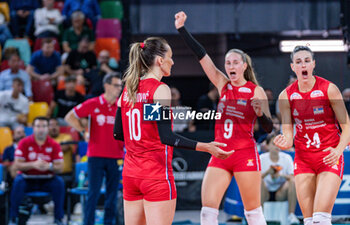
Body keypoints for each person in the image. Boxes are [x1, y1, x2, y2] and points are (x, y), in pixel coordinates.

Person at [113, 37, 233, 225]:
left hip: (131, 174)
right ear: (160, 61)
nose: (173, 61)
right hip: (155, 174)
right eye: (171, 57)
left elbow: (118, 134)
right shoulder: (160, 89)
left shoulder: (129, 88)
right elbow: (166, 137)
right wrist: (206, 147)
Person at [175, 11, 273, 225]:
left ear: (244, 66)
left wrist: (260, 114)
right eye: (227, 63)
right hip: (220, 152)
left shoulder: (255, 91)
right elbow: (202, 56)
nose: (230, 67)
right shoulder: (222, 84)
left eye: (235, 63)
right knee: (207, 212)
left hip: (244, 152)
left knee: (253, 212)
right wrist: (182, 29)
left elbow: (268, 128)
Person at [274, 45, 350, 225]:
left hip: (329, 156)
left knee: (320, 220)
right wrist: (284, 142)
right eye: (298, 62)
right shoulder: (286, 96)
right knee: (308, 221)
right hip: (303, 159)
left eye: (307, 61)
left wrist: (339, 150)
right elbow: (288, 133)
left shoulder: (329, 89)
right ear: (293, 67)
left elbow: (347, 126)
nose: (303, 65)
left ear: (313, 64)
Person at [65, 72, 124, 225]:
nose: (120, 88)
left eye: (120, 85)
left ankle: (109, 223)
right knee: (93, 193)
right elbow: (69, 116)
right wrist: (83, 130)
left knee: (113, 195)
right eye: (116, 85)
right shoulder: (93, 103)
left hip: (116, 156)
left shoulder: (122, 106)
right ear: (106, 86)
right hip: (96, 155)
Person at [10, 116, 65, 225]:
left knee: (59, 182)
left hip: (48, 179)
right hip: (27, 179)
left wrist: (49, 166)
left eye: (44, 126)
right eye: (38, 126)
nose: (41, 129)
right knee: (17, 182)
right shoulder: (24, 143)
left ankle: (58, 219)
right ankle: (14, 218)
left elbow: (60, 167)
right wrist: (33, 165)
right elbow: (17, 164)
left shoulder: (54, 144)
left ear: (48, 128)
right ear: (33, 128)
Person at [260, 134, 298, 224]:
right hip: (265, 193)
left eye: (278, 143)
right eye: (273, 144)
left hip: (281, 193)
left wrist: (281, 175)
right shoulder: (262, 158)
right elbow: (254, 180)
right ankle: (260, 216)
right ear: (268, 146)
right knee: (259, 181)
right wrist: (267, 173)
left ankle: (291, 215)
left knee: (292, 182)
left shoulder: (287, 158)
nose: (276, 146)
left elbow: (293, 177)